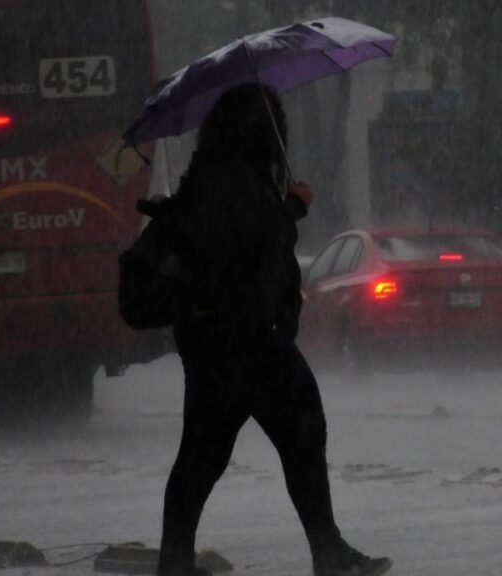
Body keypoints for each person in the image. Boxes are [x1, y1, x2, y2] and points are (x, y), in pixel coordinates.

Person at [155, 83, 392, 576]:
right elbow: (249, 250)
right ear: (263, 132)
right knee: (303, 434)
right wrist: (293, 208)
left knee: (201, 457)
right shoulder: (235, 183)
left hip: (213, 343)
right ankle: (328, 554)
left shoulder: (209, 176)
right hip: (249, 339)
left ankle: (174, 561)